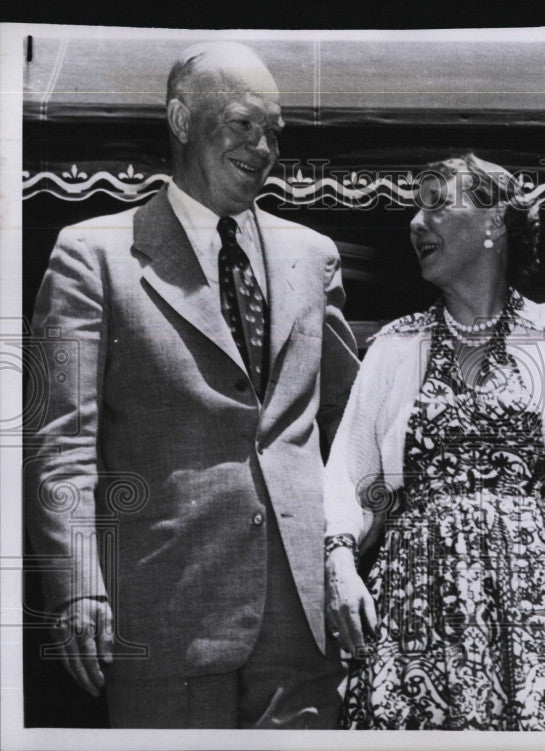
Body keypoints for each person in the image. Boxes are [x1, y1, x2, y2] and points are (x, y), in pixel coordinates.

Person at [24, 42, 359, 728]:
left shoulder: (314, 256)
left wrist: (344, 550)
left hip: (302, 628)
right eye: (242, 123)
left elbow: (351, 433)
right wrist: (78, 582)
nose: (262, 146)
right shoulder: (89, 254)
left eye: (274, 131)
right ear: (180, 119)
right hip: (164, 614)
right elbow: (60, 443)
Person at [323, 154, 545, 730]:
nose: (417, 224)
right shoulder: (396, 346)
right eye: (415, 210)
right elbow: (348, 472)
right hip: (421, 604)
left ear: (495, 222)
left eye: (437, 204)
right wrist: (340, 560)